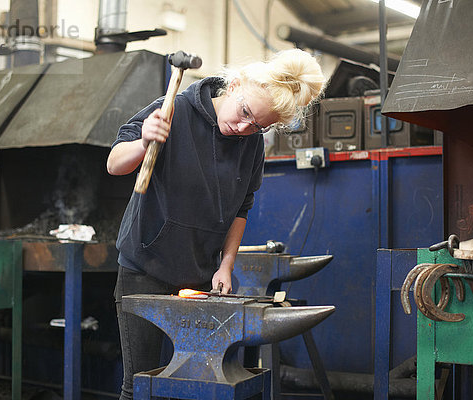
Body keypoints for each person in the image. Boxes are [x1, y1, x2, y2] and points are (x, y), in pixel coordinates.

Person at [107, 48, 326, 399]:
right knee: (139, 386)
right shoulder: (172, 110)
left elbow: (242, 209)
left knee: (194, 384)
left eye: (258, 126)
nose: (243, 128)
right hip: (144, 268)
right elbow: (115, 163)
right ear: (235, 84)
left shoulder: (252, 145)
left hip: (198, 275)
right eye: (245, 113)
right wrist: (143, 141)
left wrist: (226, 266)